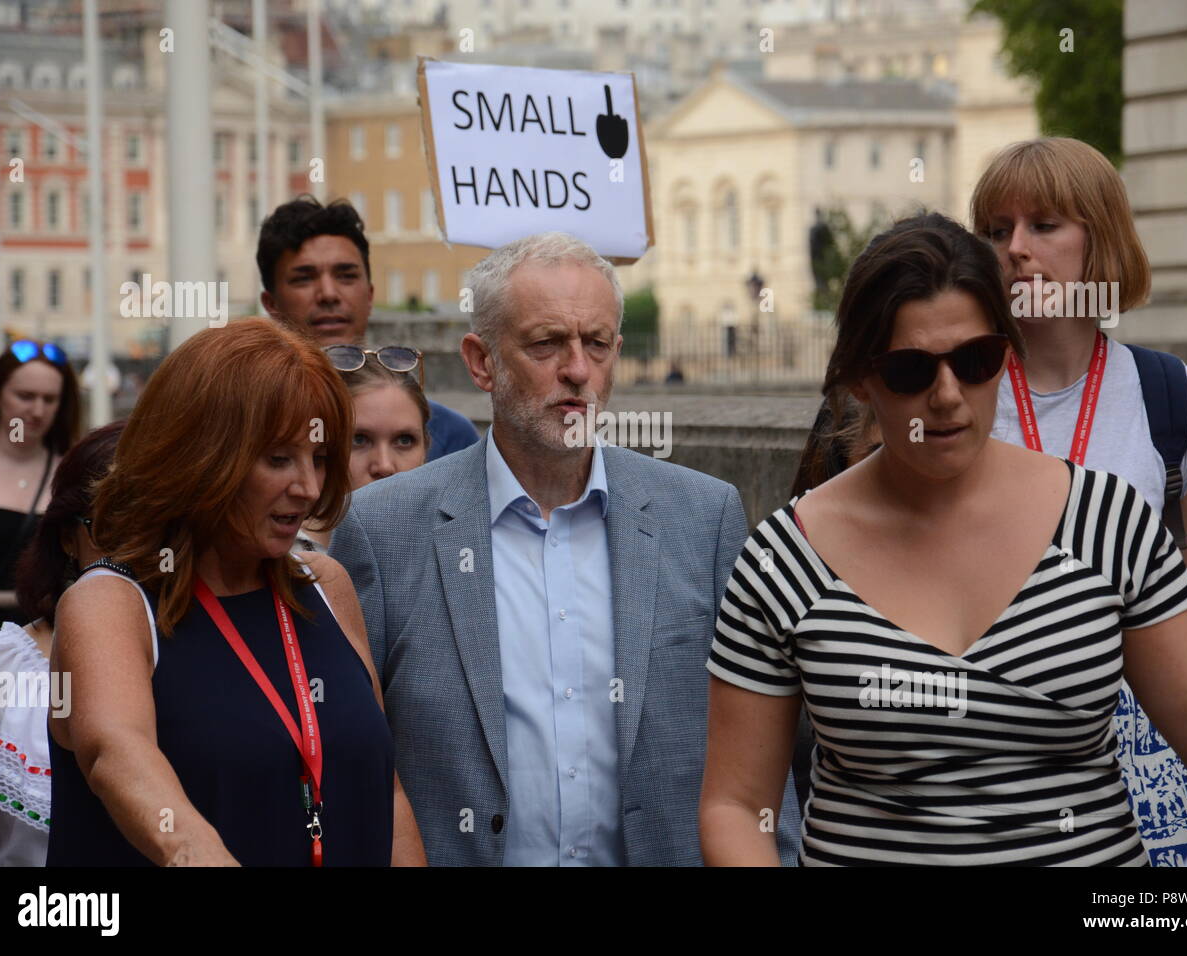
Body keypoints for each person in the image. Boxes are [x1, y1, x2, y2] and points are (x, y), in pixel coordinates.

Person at [700, 213, 1187, 866]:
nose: (948, 396)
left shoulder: (1109, 521)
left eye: (975, 360)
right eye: (911, 370)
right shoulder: (783, 559)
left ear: (1007, 353)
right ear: (859, 379)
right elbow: (737, 806)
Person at [330, 231, 802, 866]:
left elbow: (762, 757)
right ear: (481, 361)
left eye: (597, 344)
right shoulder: (384, 529)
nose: (578, 369)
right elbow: (353, 757)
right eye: (546, 343)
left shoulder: (702, 516)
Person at [47, 320, 426, 867]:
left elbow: (384, 794)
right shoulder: (110, 604)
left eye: (318, 458)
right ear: (199, 456)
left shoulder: (326, 586)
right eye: (278, 459)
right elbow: (116, 754)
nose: (309, 487)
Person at [971, 137, 1187, 864]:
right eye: (996, 230)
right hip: (990, 751)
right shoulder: (955, 395)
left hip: (1139, 758)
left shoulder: (1177, 397)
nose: (1016, 249)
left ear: (1101, 238)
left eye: (1044, 225)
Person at [0, 422, 123, 866]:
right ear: (68, 537)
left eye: (156, 529)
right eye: (109, 528)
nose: (134, 554)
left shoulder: (213, 661)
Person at [256, 195, 479, 461]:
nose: (328, 294)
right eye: (304, 278)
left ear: (370, 295)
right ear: (271, 304)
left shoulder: (447, 434)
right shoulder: (247, 424)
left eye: (346, 276)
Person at [0, 341, 82, 628]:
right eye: (25, 396)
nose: (37, 410)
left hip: (46, 638)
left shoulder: (74, 473)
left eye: (50, 399)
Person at [297, 349, 431, 551]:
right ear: (318, 450)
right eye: (358, 440)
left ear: (425, 449)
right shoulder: (282, 561)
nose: (384, 466)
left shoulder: (452, 549)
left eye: (404, 440)